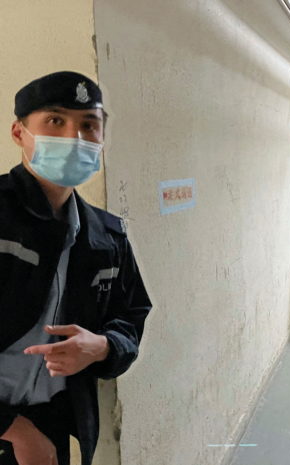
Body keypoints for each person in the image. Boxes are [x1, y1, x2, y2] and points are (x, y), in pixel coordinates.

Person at [0, 71, 151, 465]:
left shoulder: (106, 235)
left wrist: (103, 346)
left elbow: (130, 316)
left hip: (57, 420)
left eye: (89, 125)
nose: (74, 137)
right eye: (55, 121)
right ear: (19, 133)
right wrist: (13, 430)